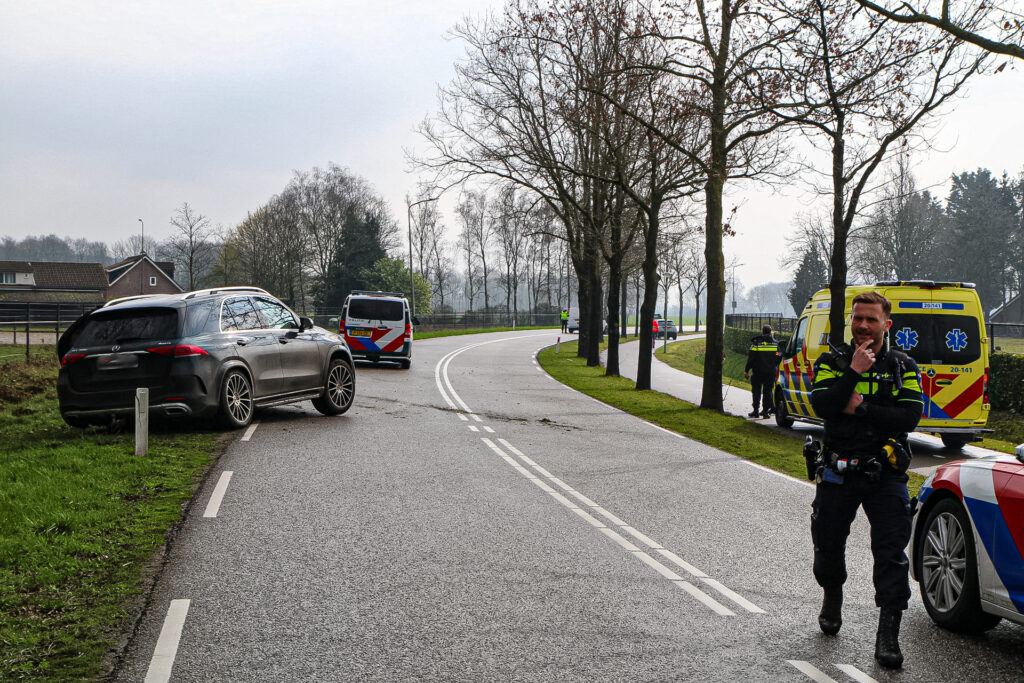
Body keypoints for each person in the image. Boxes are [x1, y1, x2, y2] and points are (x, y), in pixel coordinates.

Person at [808, 291, 924, 670]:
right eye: (858, 318)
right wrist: (854, 371)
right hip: (838, 472)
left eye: (871, 320)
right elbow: (823, 405)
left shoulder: (903, 366)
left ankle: (888, 633)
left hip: (884, 473)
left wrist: (861, 407)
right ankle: (832, 594)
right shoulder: (832, 360)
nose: (862, 326)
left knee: (891, 554)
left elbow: (908, 418)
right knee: (827, 547)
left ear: (886, 325)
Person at [744, 325, 778, 418]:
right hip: (770, 372)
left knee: (756, 391)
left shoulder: (756, 343)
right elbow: (778, 357)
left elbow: (751, 358)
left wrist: (746, 370)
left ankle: (755, 411)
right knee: (768, 392)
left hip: (758, 372)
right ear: (770, 332)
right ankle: (765, 412)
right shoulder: (775, 344)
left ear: (762, 332)